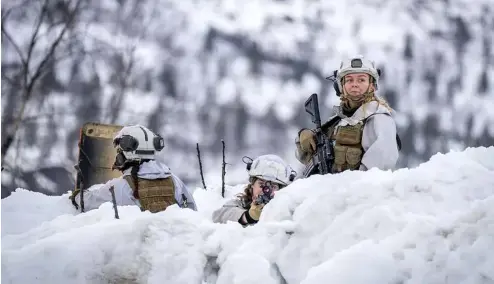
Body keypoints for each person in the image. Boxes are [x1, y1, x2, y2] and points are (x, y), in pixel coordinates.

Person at [295, 55, 401, 174]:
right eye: (349, 80)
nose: (355, 84)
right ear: (341, 86)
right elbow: (304, 158)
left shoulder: (379, 119)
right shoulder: (337, 121)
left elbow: (378, 173)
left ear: (372, 85)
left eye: (361, 80)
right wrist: (304, 136)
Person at [69, 124, 197, 212]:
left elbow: (85, 202)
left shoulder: (121, 187)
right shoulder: (174, 181)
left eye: (119, 151)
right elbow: (190, 209)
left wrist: (76, 194)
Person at [212, 154, 296, 226]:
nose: (265, 190)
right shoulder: (240, 204)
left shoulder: (287, 209)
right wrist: (248, 217)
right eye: (261, 184)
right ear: (252, 185)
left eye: (273, 187)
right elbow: (219, 216)